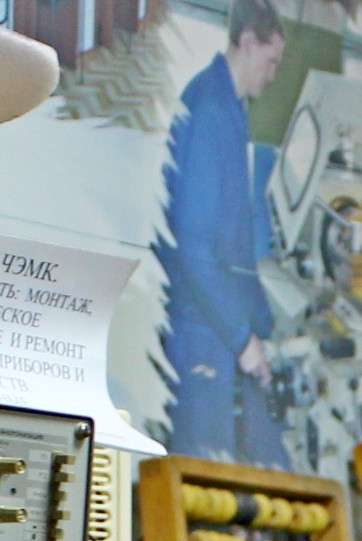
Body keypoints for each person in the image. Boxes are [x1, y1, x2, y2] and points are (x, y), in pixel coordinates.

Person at [155, 0, 289, 464]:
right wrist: (241, 337)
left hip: (214, 322)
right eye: (271, 61)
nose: (273, 75)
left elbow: (234, 240)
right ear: (248, 42)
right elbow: (195, 248)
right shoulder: (210, 108)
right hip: (199, 326)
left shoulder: (230, 108)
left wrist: (260, 326)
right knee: (200, 475)